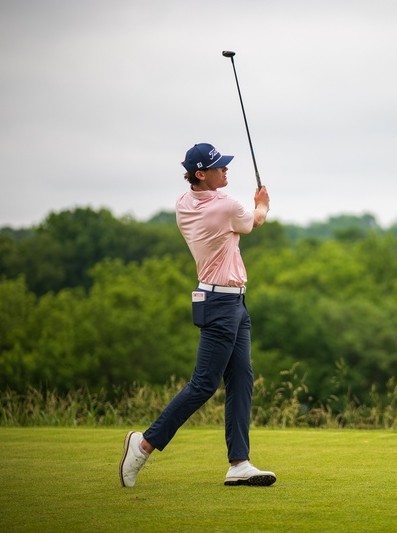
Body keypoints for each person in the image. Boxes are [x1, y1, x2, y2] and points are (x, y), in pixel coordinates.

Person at [120, 142, 275, 487]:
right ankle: (143, 445)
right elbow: (256, 221)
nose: (226, 170)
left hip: (231, 303)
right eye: (220, 167)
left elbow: (219, 212)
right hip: (221, 304)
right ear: (202, 174)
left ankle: (239, 463)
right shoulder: (225, 205)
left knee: (241, 379)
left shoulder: (183, 202)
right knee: (204, 383)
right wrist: (262, 203)